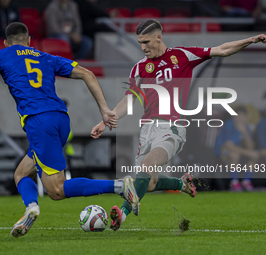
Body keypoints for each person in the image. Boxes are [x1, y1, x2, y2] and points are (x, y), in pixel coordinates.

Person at [0, 22, 139, 237]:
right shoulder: (46, 57)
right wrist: (105, 110)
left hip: (39, 122)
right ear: (29, 40)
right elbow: (88, 74)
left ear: (6, 42)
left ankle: (119, 186)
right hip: (61, 119)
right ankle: (31, 207)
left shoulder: (1, 55)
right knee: (22, 173)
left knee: (57, 190)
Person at [91, 19, 266, 231]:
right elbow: (129, 101)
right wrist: (105, 120)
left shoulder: (182, 56)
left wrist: (251, 40)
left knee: (146, 168)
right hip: (147, 129)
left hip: (172, 128)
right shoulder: (139, 68)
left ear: (159, 37)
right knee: (149, 182)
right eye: (139, 43)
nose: (143, 47)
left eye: (146, 41)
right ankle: (182, 183)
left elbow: (222, 50)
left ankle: (122, 213)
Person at [214, 106, 259, 191]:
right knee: (235, 155)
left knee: (254, 156)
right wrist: (247, 153)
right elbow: (229, 145)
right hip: (222, 151)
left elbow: (251, 147)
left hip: (238, 151)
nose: (241, 118)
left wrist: (245, 132)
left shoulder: (246, 127)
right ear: (234, 116)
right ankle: (234, 183)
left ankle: (246, 182)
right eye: (238, 115)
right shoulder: (229, 124)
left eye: (243, 116)